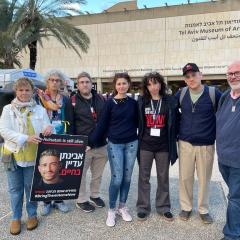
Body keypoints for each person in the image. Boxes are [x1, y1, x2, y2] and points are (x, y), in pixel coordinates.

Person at [0, 77, 52, 235]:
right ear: (16, 91)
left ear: (32, 91)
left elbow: (47, 128)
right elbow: (4, 131)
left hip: (33, 156)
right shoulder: (8, 109)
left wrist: (49, 128)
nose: (24, 93)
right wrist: (26, 138)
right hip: (13, 155)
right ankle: (16, 218)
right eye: (21, 90)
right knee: (15, 189)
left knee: (31, 188)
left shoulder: (40, 110)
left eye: (27, 90)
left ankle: (32, 215)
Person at [90, 72, 138, 227]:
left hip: (131, 143)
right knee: (117, 179)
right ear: (115, 86)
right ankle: (111, 210)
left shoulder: (133, 103)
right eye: (119, 84)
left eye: (124, 83)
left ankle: (122, 206)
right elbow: (102, 124)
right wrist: (92, 142)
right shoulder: (109, 103)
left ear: (129, 84)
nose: (121, 86)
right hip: (115, 145)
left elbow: (139, 123)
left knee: (127, 178)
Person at [175, 63, 221, 224]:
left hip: (206, 145)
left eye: (194, 75)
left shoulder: (214, 93)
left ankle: (203, 209)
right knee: (185, 178)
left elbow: (223, 115)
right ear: (185, 80)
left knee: (204, 179)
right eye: (187, 76)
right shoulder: (181, 93)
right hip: (185, 143)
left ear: (201, 75)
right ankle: (186, 208)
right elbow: (173, 114)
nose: (191, 78)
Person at [136, 72, 178, 221]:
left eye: (155, 83)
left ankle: (163, 207)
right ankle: (143, 207)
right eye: (149, 84)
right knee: (143, 177)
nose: (153, 87)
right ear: (146, 87)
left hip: (163, 146)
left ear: (161, 84)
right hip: (146, 145)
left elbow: (176, 122)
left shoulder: (169, 101)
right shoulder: (142, 101)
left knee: (163, 177)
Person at [37, 69, 74, 215]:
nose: (54, 82)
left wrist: (69, 136)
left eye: (57, 80)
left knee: (59, 168)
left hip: (61, 136)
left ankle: (58, 199)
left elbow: (70, 119)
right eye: (52, 80)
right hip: (44, 137)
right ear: (47, 82)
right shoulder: (38, 97)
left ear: (61, 83)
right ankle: (46, 201)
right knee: (46, 168)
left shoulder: (65, 99)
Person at [73, 72, 107, 213]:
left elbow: (106, 119)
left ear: (91, 83)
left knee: (97, 174)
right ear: (78, 85)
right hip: (84, 145)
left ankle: (95, 195)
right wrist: (76, 143)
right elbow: (71, 123)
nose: (84, 84)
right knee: (80, 175)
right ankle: (81, 199)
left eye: (87, 81)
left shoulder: (100, 98)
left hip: (101, 144)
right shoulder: (73, 101)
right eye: (81, 82)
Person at [216, 61, 240, 240]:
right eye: (230, 73)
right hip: (223, 158)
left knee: (234, 197)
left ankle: (232, 234)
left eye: (237, 73)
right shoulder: (225, 97)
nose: (233, 76)